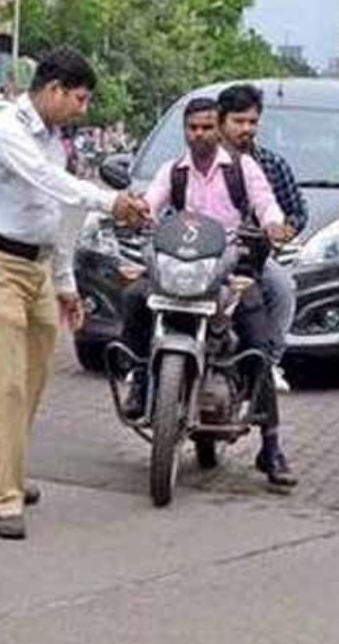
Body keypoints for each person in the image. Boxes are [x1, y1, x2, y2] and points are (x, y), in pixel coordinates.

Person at [0, 47, 150, 540]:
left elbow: (58, 215)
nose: (82, 110)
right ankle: (6, 496)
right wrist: (113, 201)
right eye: (79, 99)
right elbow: (49, 183)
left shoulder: (54, 141)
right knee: (8, 385)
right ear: (54, 90)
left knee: (34, 380)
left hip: (37, 269)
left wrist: (65, 284)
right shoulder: (7, 131)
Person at [120, 97, 299, 490]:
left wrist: (274, 226)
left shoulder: (242, 169)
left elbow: (268, 206)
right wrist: (136, 214)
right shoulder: (174, 171)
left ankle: (271, 447)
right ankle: (139, 380)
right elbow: (151, 204)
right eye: (193, 128)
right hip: (180, 267)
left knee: (258, 344)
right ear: (185, 131)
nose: (199, 134)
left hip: (228, 270)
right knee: (134, 298)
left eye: (206, 127)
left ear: (217, 128)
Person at [215, 84, 307, 393]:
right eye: (238, 121)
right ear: (220, 121)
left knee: (282, 287)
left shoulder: (272, 165)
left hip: (252, 261)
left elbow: (293, 211)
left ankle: (269, 364)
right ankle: (146, 370)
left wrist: (285, 229)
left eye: (252, 122)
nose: (246, 128)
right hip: (201, 257)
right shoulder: (196, 164)